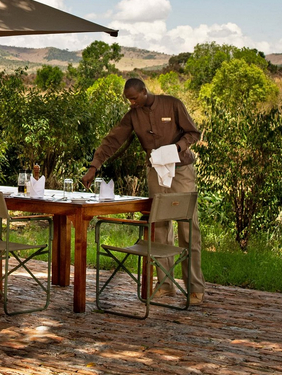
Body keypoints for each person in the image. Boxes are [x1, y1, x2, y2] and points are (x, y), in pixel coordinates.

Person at [82, 76, 204, 304]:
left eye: (134, 98)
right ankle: (165, 285)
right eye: (128, 100)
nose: (132, 103)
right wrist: (94, 166)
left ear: (144, 92)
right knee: (158, 228)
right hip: (156, 172)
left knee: (189, 230)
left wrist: (178, 147)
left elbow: (193, 133)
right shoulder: (133, 116)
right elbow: (113, 140)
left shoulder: (172, 104)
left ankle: (195, 287)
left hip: (181, 171)